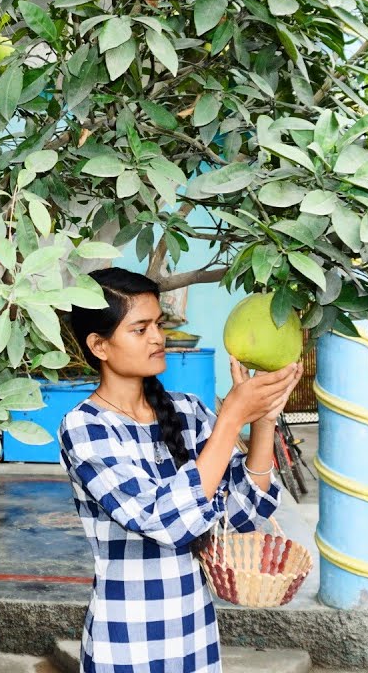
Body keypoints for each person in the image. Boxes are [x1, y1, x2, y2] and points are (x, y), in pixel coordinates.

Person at [59, 267, 303, 673]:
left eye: (159, 323)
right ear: (99, 345)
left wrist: (263, 418)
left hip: (194, 636)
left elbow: (242, 515)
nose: (158, 337)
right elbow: (168, 523)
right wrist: (230, 417)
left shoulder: (187, 411)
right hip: (126, 642)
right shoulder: (85, 427)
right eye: (140, 329)